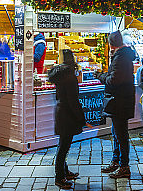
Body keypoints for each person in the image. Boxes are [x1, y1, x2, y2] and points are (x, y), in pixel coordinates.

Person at [95, 31, 135, 179]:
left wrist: (100, 75)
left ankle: (124, 166)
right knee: (116, 133)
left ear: (111, 44)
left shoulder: (121, 58)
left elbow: (114, 80)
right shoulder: (122, 56)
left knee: (121, 135)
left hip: (120, 102)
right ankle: (116, 161)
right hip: (120, 102)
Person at [48, 49, 85, 189]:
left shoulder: (61, 74)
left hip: (61, 112)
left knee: (63, 145)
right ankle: (59, 177)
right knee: (63, 147)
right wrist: (81, 118)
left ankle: (64, 171)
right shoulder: (70, 76)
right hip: (67, 115)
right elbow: (73, 101)